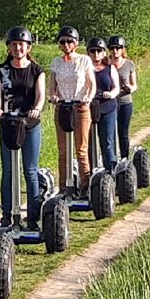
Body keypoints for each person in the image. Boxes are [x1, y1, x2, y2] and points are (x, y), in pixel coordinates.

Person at [0, 25, 45, 228]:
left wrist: (36, 109)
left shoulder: (36, 71)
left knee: (30, 170)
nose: (18, 48)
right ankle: (7, 214)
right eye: (14, 45)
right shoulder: (2, 70)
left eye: (21, 44)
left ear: (28, 47)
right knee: (8, 171)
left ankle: (32, 216)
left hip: (30, 124)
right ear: (9, 47)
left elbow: (40, 96)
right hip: (9, 123)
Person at [47, 25, 96, 195]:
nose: (66, 45)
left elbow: (91, 83)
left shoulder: (84, 60)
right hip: (62, 108)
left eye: (70, 41)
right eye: (63, 42)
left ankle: (85, 187)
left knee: (81, 150)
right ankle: (63, 188)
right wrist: (53, 96)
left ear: (76, 43)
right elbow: (52, 85)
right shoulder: (56, 62)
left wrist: (88, 97)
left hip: (80, 107)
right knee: (63, 151)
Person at [86, 37, 121, 171]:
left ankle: (110, 170)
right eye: (93, 51)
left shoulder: (110, 68)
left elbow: (116, 87)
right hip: (89, 108)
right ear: (88, 53)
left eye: (99, 51)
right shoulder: (85, 69)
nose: (96, 54)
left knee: (107, 141)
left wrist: (111, 94)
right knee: (88, 143)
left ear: (104, 53)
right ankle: (90, 173)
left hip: (107, 107)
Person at [109, 35, 137, 159]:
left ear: (123, 49)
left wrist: (130, 88)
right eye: (112, 48)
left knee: (123, 133)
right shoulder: (106, 64)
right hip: (109, 103)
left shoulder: (129, 64)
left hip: (125, 102)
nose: (115, 51)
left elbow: (134, 85)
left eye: (118, 48)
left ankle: (125, 158)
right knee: (110, 133)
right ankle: (111, 159)